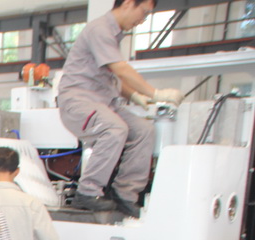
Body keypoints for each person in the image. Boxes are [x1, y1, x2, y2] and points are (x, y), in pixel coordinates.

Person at [57, 0, 182, 217]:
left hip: (104, 103)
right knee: (115, 128)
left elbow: (112, 77)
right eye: (143, 12)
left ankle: (124, 195)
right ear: (128, 3)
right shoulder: (100, 30)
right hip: (79, 102)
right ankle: (87, 192)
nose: (142, 20)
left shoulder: (114, 36)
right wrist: (155, 94)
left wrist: (134, 96)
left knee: (144, 130)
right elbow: (121, 69)